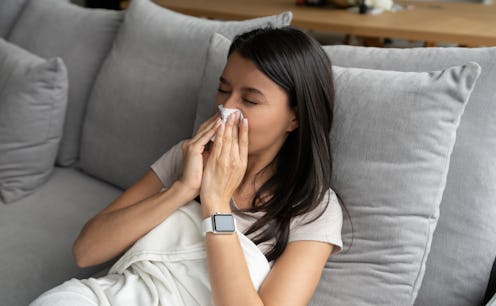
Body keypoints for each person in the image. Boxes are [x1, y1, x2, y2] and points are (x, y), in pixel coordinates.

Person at [33, 26, 343, 306]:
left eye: (249, 100)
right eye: (223, 90)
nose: (226, 108)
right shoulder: (189, 156)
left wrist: (216, 204)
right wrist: (183, 189)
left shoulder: (314, 208)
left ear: (295, 117)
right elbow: (86, 251)